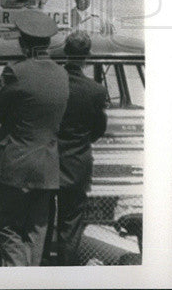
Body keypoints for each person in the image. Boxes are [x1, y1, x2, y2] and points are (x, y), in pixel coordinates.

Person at [0, 9, 69, 266]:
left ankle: (19, 273)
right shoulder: (61, 74)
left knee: (3, 224)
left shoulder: (16, 71)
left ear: (23, 42)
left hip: (14, 164)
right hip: (47, 166)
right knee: (36, 230)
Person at [52, 32, 107, 265]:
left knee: (41, 222)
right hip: (77, 163)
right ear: (87, 57)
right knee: (71, 224)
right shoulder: (95, 91)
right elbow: (98, 129)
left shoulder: (52, 84)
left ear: (65, 51)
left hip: (47, 161)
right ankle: (66, 273)